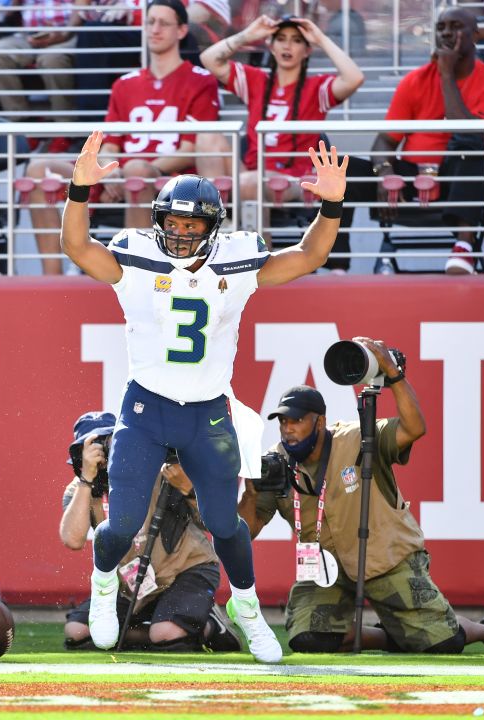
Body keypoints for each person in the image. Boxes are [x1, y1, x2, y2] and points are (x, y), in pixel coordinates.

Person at [60, 129, 350, 662]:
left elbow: (310, 254)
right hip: (146, 408)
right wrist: (79, 192)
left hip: (209, 411)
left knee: (224, 523)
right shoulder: (138, 261)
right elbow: (76, 246)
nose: (180, 233)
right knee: (122, 524)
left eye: (192, 224)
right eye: (172, 223)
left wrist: (332, 203)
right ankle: (104, 583)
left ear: (213, 228)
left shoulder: (236, 263)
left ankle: (246, 606)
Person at [239, 356, 484, 654]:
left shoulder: (359, 438)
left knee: (443, 643)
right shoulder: (275, 463)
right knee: (309, 638)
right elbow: (248, 529)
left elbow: (413, 428)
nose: (288, 429)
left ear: (319, 422)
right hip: (325, 568)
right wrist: (250, 493)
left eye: (296, 420)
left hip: (385, 557)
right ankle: (394, 636)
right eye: (283, 421)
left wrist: (394, 376)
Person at [26, 0, 228, 276]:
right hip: (122, 174)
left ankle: (139, 275)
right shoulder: (125, 83)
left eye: (164, 23)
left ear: (181, 31)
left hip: (170, 180)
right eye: (150, 22)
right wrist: (112, 173)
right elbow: (110, 144)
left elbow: (192, 148)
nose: (155, 30)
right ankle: (52, 276)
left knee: (137, 172)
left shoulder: (199, 79)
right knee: (38, 169)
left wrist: (140, 170)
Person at [341, 6, 484, 275]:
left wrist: (446, 75)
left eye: (456, 26)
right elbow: (384, 142)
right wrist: (384, 173)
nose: (446, 33)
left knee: (471, 147)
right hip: (409, 182)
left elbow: (469, 135)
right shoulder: (414, 81)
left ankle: (464, 248)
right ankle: (336, 264)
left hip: (460, 183)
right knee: (343, 168)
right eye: (441, 27)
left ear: (476, 35)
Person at [60, 412, 241, 652]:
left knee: (166, 634)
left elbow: (214, 522)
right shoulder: (81, 488)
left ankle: (209, 624)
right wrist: (86, 478)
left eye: (107, 442)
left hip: (185, 570)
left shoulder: (158, 467)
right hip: (129, 583)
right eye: (92, 446)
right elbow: (72, 539)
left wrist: (187, 489)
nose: (102, 454)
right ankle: (163, 626)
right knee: (78, 632)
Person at [200, 14, 363, 251]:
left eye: (297, 40)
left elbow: (354, 78)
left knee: (250, 182)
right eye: (281, 39)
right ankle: (216, 227)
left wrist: (319, 37)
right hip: (250, 174)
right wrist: (248, 35)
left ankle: (256, 260)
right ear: (271, 45)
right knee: (207, 139)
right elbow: (209, 58)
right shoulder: (257, 80)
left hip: (295, 179)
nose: (287, 45)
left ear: (307, 50)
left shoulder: (316, 89)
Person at [0, 0, 80, 124]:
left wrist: (65, 34)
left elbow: (83, 8)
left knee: (53, 59)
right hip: (28, 34)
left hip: (66, 32)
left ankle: (65, 126)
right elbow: (6, 12)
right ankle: (19, 121)